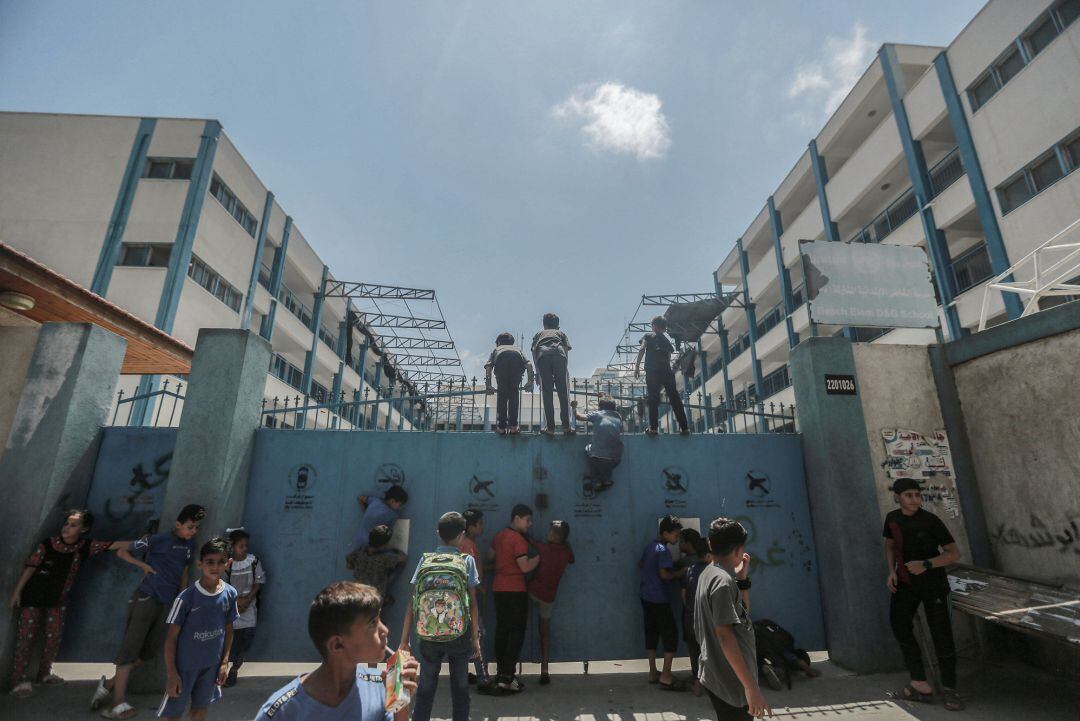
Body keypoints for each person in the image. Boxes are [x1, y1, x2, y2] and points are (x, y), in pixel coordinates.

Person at [92, 503, 205, 720]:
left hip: (167, 603)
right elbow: (123, 552)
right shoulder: (159, 540)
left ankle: (108, 685)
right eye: (190, 527)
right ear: (178, 524)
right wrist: (143, 566)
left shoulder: (189, 545)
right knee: (129, 650)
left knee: (147, 654)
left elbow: (184, 572)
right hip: (146, 597)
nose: (193, 531)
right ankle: (117, 705)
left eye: (196, 528)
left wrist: (182, 599)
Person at [8, 509, 132, 698]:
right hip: (33, 597)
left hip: (58, 601)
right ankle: (19, 681)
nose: (67, 528)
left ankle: (44, 673)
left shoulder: (85, 547)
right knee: (26, 637)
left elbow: (112, 545)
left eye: (73, 525)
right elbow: (31, 567)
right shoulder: (48, 544)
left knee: (53, 636)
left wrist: (145, 542)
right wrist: (17, 592)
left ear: (84, 529)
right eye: (66, 523)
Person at [254, 581, 419, 721]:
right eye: (372, 623)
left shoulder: (379, 689)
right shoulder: (284, 712)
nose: (385, 630)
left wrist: (400, 701)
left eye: (380, 619)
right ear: (337, 645)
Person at [883, 479, 963, 711]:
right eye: (909, 495)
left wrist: (927, 564)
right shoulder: (892, 519)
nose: (915, 499)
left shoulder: (930, 521)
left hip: (934, 584)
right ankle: (920, 683)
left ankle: (950, 688)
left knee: (941, 634)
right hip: (905, 584)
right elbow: (889, 545)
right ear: (897, 497)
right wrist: (891, 572)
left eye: (917, 495)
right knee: (900, 625)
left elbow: (953, 553)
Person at [399, 512, 481, 721]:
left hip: (428, 635)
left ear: (438, 534)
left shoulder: (426, 560)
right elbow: (472, 603)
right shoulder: (466, 561)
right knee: (460, 688)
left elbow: (413, 602)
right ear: (462, 535)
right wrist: (475, 638)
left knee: (426, 687)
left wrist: (404, 640)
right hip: (459, 635)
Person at [695, 517, 770, 720]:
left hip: (720, 676)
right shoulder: (722, 583)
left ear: (710, 544)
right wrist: (751, 688)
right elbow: (725, 636)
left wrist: (742, 580)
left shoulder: (709, 574)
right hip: (731, 682)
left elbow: (741, 614)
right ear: (738, 549)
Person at [158, 537, 238, 721]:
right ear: (200, 564)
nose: (215, 567)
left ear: (228, 563)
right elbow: (171, 639)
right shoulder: (186, 599)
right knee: (172, 715)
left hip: (211, 667)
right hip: (184, 669)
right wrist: (172, 674)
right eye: (210, 562)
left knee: (200, 711)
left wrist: (224, 662)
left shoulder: (230, 594)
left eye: (221, 562)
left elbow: (229, 629)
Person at [490, 504, 539, 693]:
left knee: (502, 630)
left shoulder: (499, 536)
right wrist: (540, 558)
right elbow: (525, 567)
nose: (530, 524)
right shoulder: (518, 539)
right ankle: (508, 677)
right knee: (516, 632)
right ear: (516, 518)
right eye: (527, 520)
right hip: (515, 590)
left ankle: (501, 672)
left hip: (498, 588)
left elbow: (489, 556)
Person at [639, 515, 686, 690]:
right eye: (675, 535)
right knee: (670, 634)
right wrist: (681, 572)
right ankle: (666, 676)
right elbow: (665, 575)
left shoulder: (650, 546)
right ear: (665, 533)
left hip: (646, 596)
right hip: (659, 598)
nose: (677, 538)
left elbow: (641, 564)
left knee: (651, 633)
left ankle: (653, 671)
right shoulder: (663, 550)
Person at [527, 520, 574, 685]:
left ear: (554, 535)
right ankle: (545, 669)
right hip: (548, 598)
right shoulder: (566, 552)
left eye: (550, 531)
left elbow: (530, 541)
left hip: (532, 592)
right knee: (545, 632)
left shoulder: (544, 548)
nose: (547, 533)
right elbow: (571, 559)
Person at [223, 528, 266, 688]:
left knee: (245, 640)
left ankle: (234, 669)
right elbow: (223, 584)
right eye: (241, 546)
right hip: (231, 607)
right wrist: (236, 601)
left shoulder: (253, 561)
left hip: (249, 606)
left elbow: (259, 581)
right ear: (232, 547)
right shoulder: (228, 564)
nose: (244, 549)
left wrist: (247, 599)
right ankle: (224, 670)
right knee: (229, 640)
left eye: (246, 545)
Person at [634, 316, 689, 435]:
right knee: (674, 398)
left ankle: (653, 428)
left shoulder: (648, 336)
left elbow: (642, 349)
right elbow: (669, 356)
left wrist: (637, 367)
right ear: (664, 328)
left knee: (653, 398)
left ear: (654, 326)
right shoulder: (666, 341)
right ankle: (684, 427)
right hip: (666, 371)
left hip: (652, 371)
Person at [461, 509, 492, 690]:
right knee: (476, 634)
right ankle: (483, 677)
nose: (482, 527)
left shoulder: (465, 543)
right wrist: (479, 588)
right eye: (480, 524)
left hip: (466, 597)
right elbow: (469, 574)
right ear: (471, 527)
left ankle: (463, 674)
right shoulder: (468, 545)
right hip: (471, 598)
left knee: (465, 636)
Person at [531, 313, 574, 436]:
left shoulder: (539, 334)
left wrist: (538, 373)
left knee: (547, 394)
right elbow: (566, 351)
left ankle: (550, 428)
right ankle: (566, 427)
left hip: (542, 357)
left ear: (544, 324)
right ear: (557, 325)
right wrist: (564, 369)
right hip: (559, 356)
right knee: (563, 393)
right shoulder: (561, 333)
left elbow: (534, 352)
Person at [570, 394, 623, 493]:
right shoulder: (618, 416)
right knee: (608, 458)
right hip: (615, 458)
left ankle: (597, 481)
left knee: (589, 451)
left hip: (597, 456)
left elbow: (579, 417)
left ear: (600, 406)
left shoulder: (598, 414)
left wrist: (574, 408)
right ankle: (606, 479)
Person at [485, 332, 535, 435]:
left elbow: (489, 366)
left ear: (498, 342)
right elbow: (529, 364)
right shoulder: (517, 349)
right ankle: (513, 427)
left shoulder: (497, 349)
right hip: (516, 364)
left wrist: (488, 385)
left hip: (501, 364)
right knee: (514, 396)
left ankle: (501, 428)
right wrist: (530, 381)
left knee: (502, 396)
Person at [681, 538, 711, 697]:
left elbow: (684, 595)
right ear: (708, 555)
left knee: (694, 653)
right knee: (711, 653)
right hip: (708, 622)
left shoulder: (690, 571)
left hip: (691, 619)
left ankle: (697, 684)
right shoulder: (713, 573)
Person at [347, 526, 408, 602]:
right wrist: (396, 550)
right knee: (399, 567)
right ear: (384, 545)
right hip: (374, 594)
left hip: (357, 589)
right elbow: (404, 559)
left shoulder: (360, 551)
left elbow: (349, 565)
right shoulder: (385, 558)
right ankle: (383, 598)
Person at [353, 486, 409, 552]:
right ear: (392, 501)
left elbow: (360, 498)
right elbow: (388, 534)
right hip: (372, 548)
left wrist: (365, 511)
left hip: (359, 541)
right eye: (400, 505)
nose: (400, 508)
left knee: (356, 559)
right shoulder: (392, 515)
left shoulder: (375, 501)